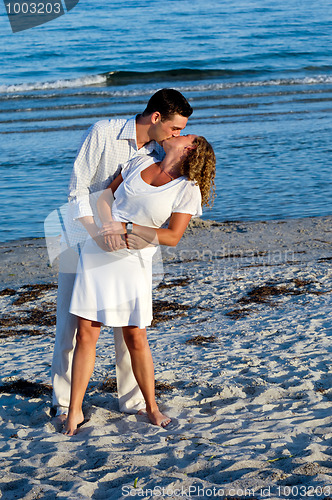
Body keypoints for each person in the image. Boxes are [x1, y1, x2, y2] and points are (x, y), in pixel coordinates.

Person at [51, 89, 193, 419]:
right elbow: (77, 190)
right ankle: (63, 404)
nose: (178, 135)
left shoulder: (158, 151)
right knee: (71, 328)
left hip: (129, 249)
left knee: (129, 329)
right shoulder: (103, 132)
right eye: (175, 128)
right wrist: (98, 233)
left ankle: (133, 403)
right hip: (80, 237)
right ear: (156, 117)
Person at [63, 133, 216, 435]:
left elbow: (172, 236)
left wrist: (127, 227)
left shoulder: (188, 188)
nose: (177, 134)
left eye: (185, 135)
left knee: (136, 337)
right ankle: (74, 410)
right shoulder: (139, 161)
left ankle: (152, 407)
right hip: (98, 252)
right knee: (85, 335)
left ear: (190, 149)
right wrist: (105, 228)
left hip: (134, 259)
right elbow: (106, 196)